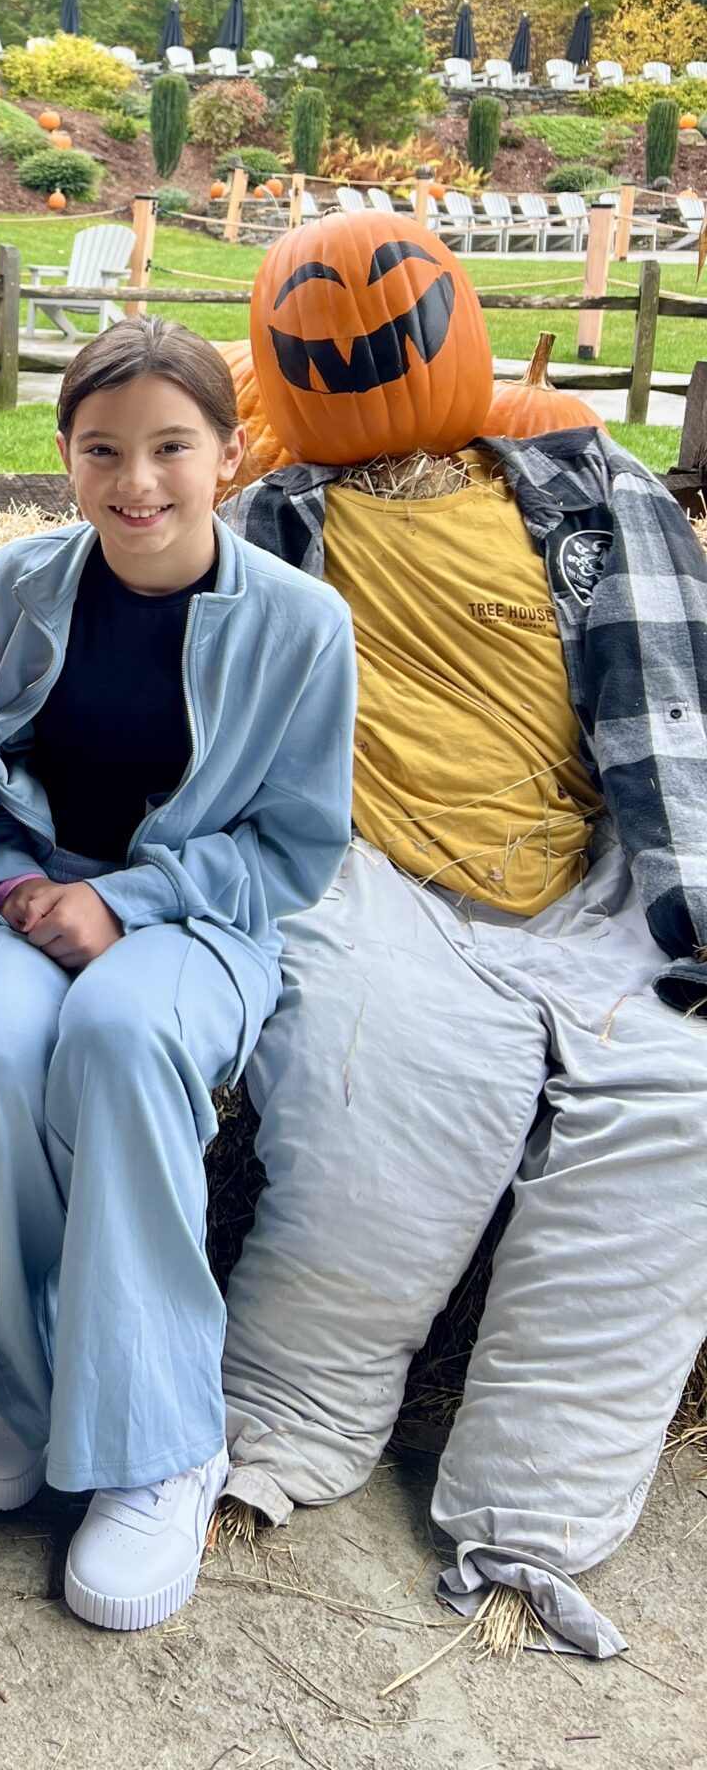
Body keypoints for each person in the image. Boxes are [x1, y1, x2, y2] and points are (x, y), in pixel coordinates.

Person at [219, 216, 707, 1658]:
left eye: (397, 304)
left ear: (459, 316)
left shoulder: (589, 487)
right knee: (380, 1084)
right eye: (308, 317)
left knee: (680, 1104)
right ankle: (287, 1427)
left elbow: (674, 704)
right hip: (390, 872)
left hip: (598, 866)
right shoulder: (268, 519)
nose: (357, 327)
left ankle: (536, 1517)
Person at [0, 318, 355, 1633]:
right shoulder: (13, 587)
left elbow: (291, 847)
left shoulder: (300, 624)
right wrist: (17, 892)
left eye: (172, 447)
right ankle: (25, 1368)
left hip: (197, 921)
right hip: (23, 901)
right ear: (63, 456)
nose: (138, 480)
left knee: (118, 1038)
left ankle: (162, 1443)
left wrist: (120, 903)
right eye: (102, 449)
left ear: (229, 455)